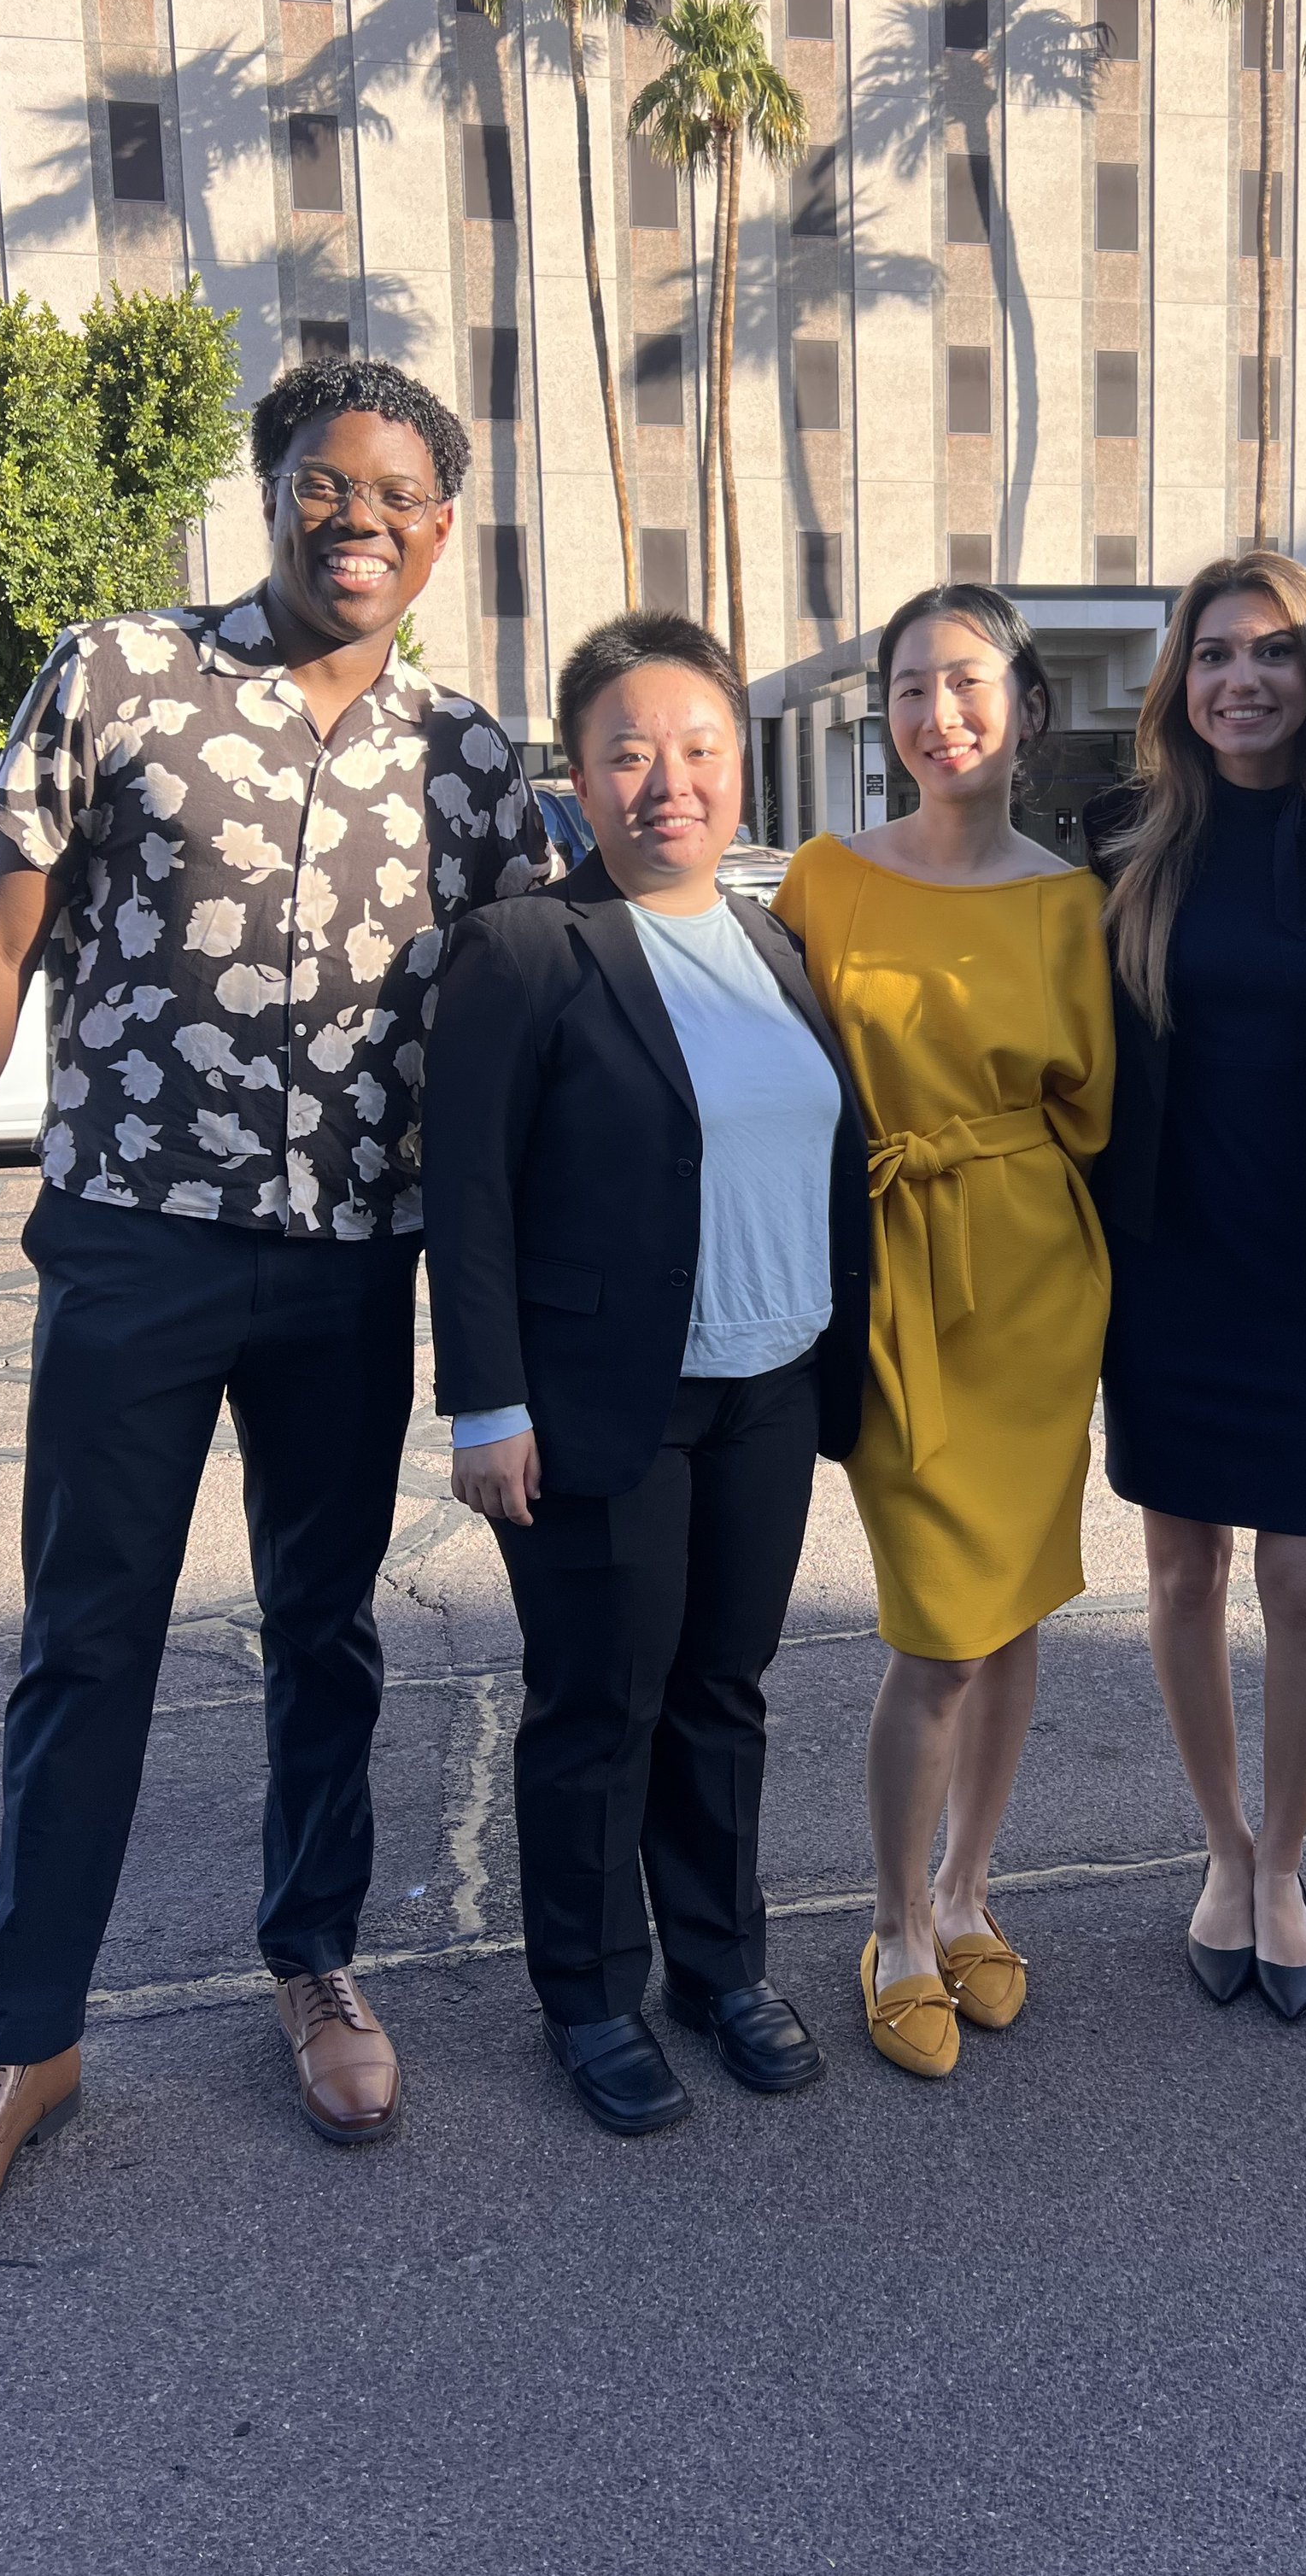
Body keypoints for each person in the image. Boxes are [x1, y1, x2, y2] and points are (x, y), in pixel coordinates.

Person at [0, 358, 548, 2256]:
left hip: (350, 1257)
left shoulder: (475, 762)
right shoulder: (117, 676)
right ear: (274, 492)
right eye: (327, 482)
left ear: (439, 527)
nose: (361, 517)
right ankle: (20, 2045)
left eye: (400, 492)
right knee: (86, 1639)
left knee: (324, 1627)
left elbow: (530, 1031)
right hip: (133, 1241)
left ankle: (314, 1961)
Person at [419, 612, 869, 2138]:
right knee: (598, 1703)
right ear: (579, 778)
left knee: (722, 1696)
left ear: (740, 769)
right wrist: (487, 1401)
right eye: (628, 755)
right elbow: (465, 1186)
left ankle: (720, 1967)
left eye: (696, 752)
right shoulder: (527, 946)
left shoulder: (772, 943)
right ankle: (592, 1993)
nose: (665, 783)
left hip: (769, 1382)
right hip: (604, 1399)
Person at [773, 585, 1113, 2080]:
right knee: (934, 1631)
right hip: (892, 1267)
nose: (939, 713)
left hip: (1037, 1276)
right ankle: (896, 1919)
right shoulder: (825, 879)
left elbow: (1089, 1107)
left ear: (1025, 705)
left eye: (968, 682)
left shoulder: (1071, 899)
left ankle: (976, 1884)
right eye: (911, 688)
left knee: (1017, 1605)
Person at [1086, 554, 1306, 2023]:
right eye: (1214, 654)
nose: (1242, 679)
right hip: (1168, 1267)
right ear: (1179, 681)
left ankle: (1289, 1860)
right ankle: (1223, 1849)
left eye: (1273, 652)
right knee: (1183, 1571)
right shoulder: (1126, 847)